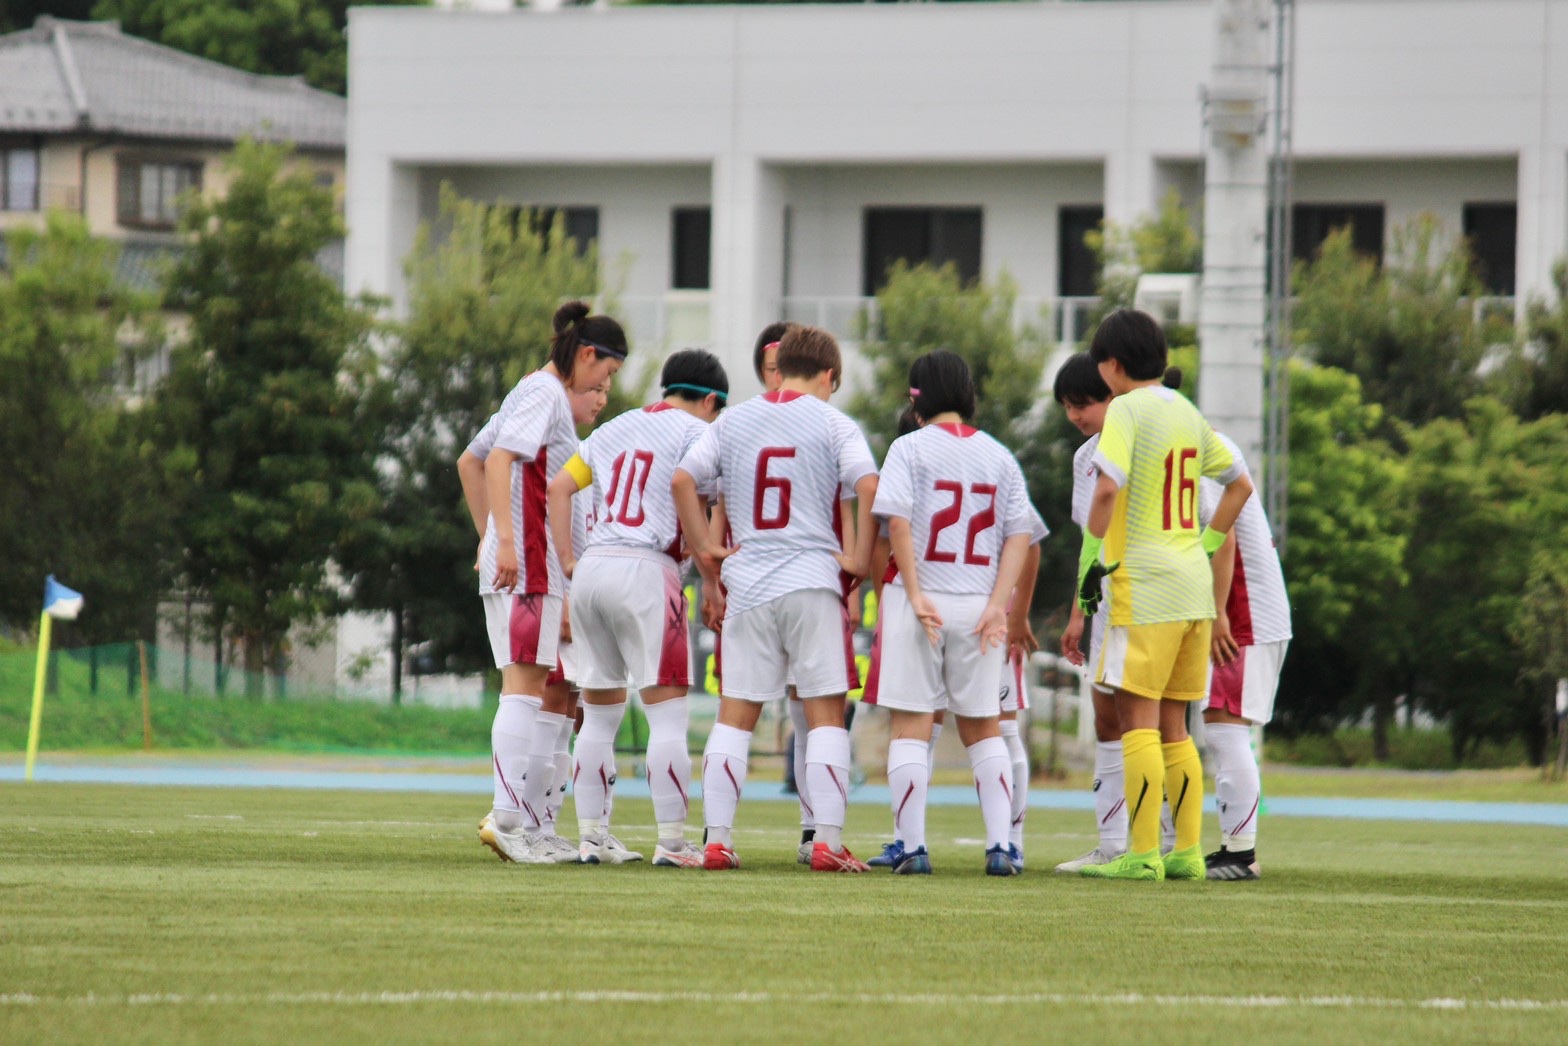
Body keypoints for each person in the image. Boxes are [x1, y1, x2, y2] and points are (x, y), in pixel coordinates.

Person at [673, 325, 878, 872]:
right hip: (811, 578)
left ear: (778, 366)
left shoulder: (734, 419)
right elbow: (869, 485)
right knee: (826, 715)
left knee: (734, 715)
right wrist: (858, 559)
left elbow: (681, 481)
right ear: (829, 374)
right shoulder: (835, 422)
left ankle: (717, 840)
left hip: (750, 580)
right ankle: (827, 844)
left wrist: (706, 552)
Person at [1078, 308, 1253, 882]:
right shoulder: (1187, 411)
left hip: (1144, 587)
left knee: (1138, 721)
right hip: (1192, 590)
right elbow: (1240, 484)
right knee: (1178, 727)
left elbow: (1107, 489)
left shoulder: (1126, 408)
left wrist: (1089, 560)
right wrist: (1204, 544)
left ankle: (1144, 853)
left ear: (1114, 364)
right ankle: (1186, 854)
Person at [547, 349, 729, 868]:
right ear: (711, 400)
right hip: (648, 569)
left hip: (594, 565)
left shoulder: (614, 427)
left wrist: (568, 560)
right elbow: (704, 499)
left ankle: (591, 836)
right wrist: (711, 573)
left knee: (599, 717)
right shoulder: (700, 434)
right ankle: (672, 841)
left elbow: (560, 488)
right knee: (667, 717)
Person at [472, 301, 628, 865]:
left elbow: (475, 456)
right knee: (525, 689)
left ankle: (527, 825)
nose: (605, 387)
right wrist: (507, 542)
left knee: (533, 690)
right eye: (606, 374)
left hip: (526, 561)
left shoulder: (531, 390)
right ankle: (510, 820)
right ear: (587, 355)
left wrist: (487, 538)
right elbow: (497, 461)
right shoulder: (544, 393)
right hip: (531, 565)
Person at [870, 350, 1036, 876]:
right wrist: (997, 606)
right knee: (985, 730)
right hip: (976, 604)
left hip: (922, 601)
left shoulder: (908, 447)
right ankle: (1001, 846)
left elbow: (896, 524)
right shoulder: (999, 455)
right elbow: (1020, 535)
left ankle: (913, 847)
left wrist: (915, 592)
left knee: (911, 728)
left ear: (918, 398)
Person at [1051, 352, 1130, 873]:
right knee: (1107, 717)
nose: (1076, 415)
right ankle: (1113, 842)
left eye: (1085, 403)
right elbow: (1089, 538)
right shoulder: (1085, 459)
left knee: (1160, 720)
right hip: (1103, 600)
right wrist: (1080, 611)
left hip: (1150, 594)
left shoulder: (1149, 440)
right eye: (1067, 407)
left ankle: (1166, 841)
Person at [1200, 431, 1291, 880]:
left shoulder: (1191, 446)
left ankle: (1241, 854)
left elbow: (1225, 535)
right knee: (1218, 724)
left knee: (1223, 725)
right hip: (1236, 609)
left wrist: (1218, 614)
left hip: (1243, 612)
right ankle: (1232, 849)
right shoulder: (1196, 437)